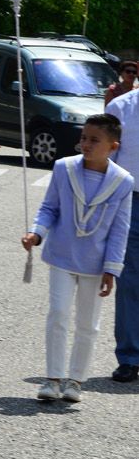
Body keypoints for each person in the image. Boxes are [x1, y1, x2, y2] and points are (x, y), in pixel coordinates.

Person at [22, 115, 133, 404]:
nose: (86, 144)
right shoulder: (64, 168)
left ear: (113, 146)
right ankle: (53, 378)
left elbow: (121, 229)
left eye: (94, 140)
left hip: (96, 263)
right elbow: (49, 207)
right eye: (84, 137)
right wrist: (36, 233)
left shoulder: (123, 182)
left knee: (88, 323)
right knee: (58, 314)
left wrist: (112, 269)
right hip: (61, 254)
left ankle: (75, 379)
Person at [100, 78, 139, 383]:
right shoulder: (121, 108)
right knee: (129, 282)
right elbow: (106, 162)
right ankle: (129, 357)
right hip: (132, 201)